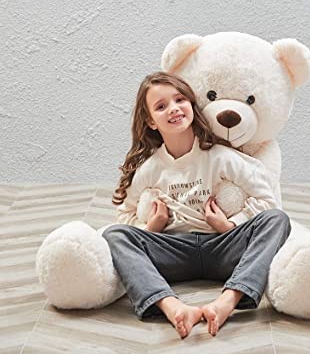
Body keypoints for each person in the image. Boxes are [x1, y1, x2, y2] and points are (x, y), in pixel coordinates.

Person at [102, 71, 291, 339]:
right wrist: (151, 227)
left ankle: (227, 302)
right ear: (150, 121)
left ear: (191, 104)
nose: (173, 108)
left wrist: (229, 225)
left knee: (277, 220)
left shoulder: (221, 157)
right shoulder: (150, 169)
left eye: (179, 99)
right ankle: (173, 308)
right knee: (114, 235)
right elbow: (124, 214)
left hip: (223, 247)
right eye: (161, 106)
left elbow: (266, 200)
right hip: (173, 251)